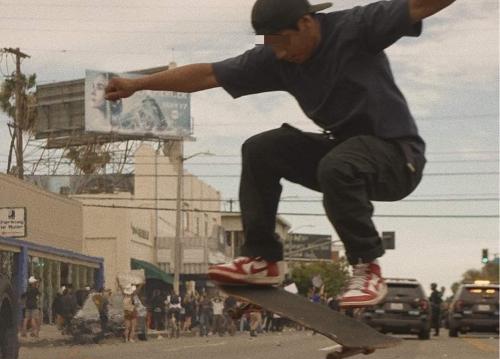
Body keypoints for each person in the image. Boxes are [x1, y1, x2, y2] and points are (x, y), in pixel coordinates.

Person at [105, 0, 455, 308]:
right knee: (261, 149)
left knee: (339, 164)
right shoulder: (275, 58)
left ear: (306, 23)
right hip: (344, 157)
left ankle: (367, 266)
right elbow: (208, 74)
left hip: (397, 159)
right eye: (272, 47)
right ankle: (261, 259)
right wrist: (137, 84)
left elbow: (421, 5)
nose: (283, 55)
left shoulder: (357, 27)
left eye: (285, 43)